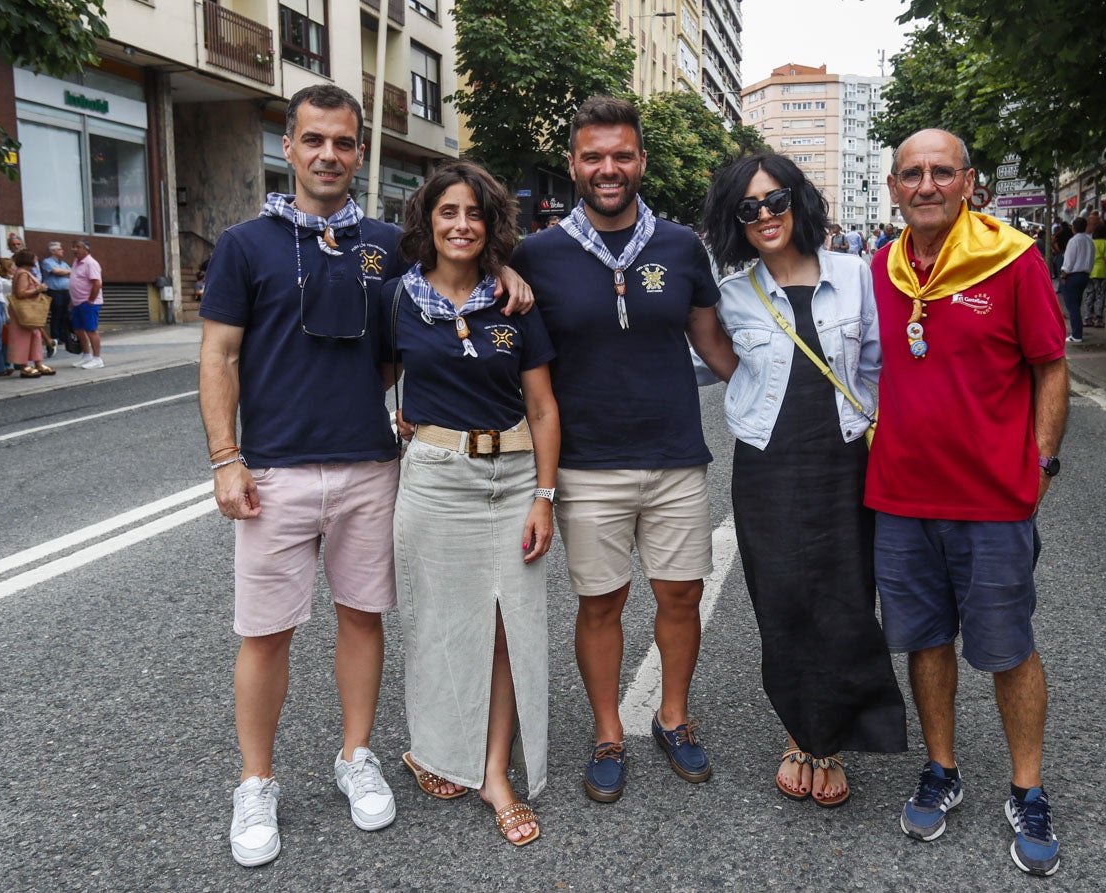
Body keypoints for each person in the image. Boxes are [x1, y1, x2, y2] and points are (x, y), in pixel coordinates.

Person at [200, 85, 532, 868]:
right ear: (289, 146)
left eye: (343, 143)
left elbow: (455, 278)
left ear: (358, 151)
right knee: (265, 631)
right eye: (313, 140)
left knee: (362, 617)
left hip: (371, 465)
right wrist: (225, 458)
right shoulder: (245, 243)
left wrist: (510, 273)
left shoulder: (388, 243)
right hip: (271, 472)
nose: (328, 155)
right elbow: (218, 355)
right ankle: (255, 781)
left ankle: (355, 755)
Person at [509, 96, 735, 804]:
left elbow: (712, 344)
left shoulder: (678, 246)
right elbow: (499, 344)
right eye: (593, 156)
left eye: (622, 155)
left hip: (674, 455)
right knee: (600, 602)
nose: (608, 168)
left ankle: (673, 714)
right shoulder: (536, 254)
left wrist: (792, 402)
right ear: (573, 165)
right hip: (584, 463)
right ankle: (608, 728)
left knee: (680, 594)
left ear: (640, 161)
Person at [871, 129, 1069, 876]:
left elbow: (1051, 367)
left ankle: (1027, 785)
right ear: (892, 187)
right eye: (911, 174)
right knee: (925, 641)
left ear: (968, 183)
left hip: (992, 501)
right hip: (900, 497)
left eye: (940, 172)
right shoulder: (876, 270)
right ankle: (941, 768)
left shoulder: (1011, 258)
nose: (926, 185)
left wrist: (1042, 464)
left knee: (1007, 647)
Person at [699, 153, 906, 808]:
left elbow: (876, 364)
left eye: (775, 199)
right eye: (748, 207)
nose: (764, 215)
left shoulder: (856, 275)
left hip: (845, 459)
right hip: (768, 465)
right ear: (736, 220)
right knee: (783, 603)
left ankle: (832, 739)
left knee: (845, 599)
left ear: (799, 202)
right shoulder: (732, 293)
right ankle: (800, 733)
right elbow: (713, 359)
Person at [386, 161, 560, 847]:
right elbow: (377, 372)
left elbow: (544, 407)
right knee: (436, 625)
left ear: (490, 225)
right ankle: (435, 746)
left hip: (514, 475)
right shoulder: (396, 298)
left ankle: (493, 770)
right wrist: (403, 419)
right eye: (447, 212)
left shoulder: (514, 300)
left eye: (474, 214)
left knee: (505, 628)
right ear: (427, 221)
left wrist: (545, 496)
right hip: (434, 477)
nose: (461, 224)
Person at [8, 249, 54, 378]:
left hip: (28, 311)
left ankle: (37, 363)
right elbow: (20, 293)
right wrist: (38, 289)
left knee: (35, 336)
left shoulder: (25, 273)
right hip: (23, 311)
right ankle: (24, 365)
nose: (36, 260)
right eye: (34, 258)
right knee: (23, 337)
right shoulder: (23, 274)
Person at [69, 240, 104, 369]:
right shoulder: (76, 263)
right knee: (78, 329)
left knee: (91, 330)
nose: (74, 249)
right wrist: (72, 302)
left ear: (86, 249)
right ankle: (86, 356)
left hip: (88, 303)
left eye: (78, 247)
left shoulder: (90, 263)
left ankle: (97, 358)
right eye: (73, 247)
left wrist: (90, 300)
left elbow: (97, 283)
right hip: (77, 302)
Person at [1059, 216, 1092, 343]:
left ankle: (1077, 334)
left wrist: (1064, 274)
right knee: (1077, 305)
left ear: (1073, 228)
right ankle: (1077, 331)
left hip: (1073, 275)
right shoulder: (1089, 241)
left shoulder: (1074, 241)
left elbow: (1069, 260)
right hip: (1084, 274)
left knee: (1072, 306)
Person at [40, 242, 73, 349]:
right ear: (53, 251)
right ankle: (55, 336)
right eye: (59, 249)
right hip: (55, 291)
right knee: (57, 313)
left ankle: (64, 336)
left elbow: (72, 272)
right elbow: (56, 271)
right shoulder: (47, 262)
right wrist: (67, 272)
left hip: (66, 291)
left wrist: (67, 272)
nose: (62, 251)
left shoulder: (63, 263)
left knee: (66, 313)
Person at [1084, 220, 1106, 327]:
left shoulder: (1090, 243)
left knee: (1089, 295)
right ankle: (1098, 319)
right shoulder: (1105, 243)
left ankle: (1087, 317)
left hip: (1090, 271)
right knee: (1100, 295)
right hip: (1101, 272)